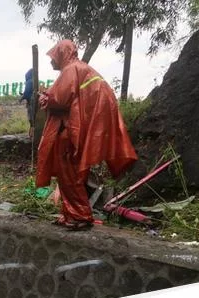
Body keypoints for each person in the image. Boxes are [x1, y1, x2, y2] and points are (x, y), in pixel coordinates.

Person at [36, 39, 138, 231]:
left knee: (69, 176)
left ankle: (80, 215)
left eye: (53, 56)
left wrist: (44, 98)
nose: (51, 61)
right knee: (71, 176)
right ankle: (70, 214)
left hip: (68, 133)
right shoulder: (83, 69)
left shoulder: (71, 69)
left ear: (62, 53)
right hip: (77, 131)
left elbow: (59, 99)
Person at [20, 68, 35, 138]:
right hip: (34, 101)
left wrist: (21, 98)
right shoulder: (34, 81)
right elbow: (29, 92)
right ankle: (32, 133)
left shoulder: (29, 81)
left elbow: (26, 93)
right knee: (33, 117)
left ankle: (32, 134)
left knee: (31, 118)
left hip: (30, 102)